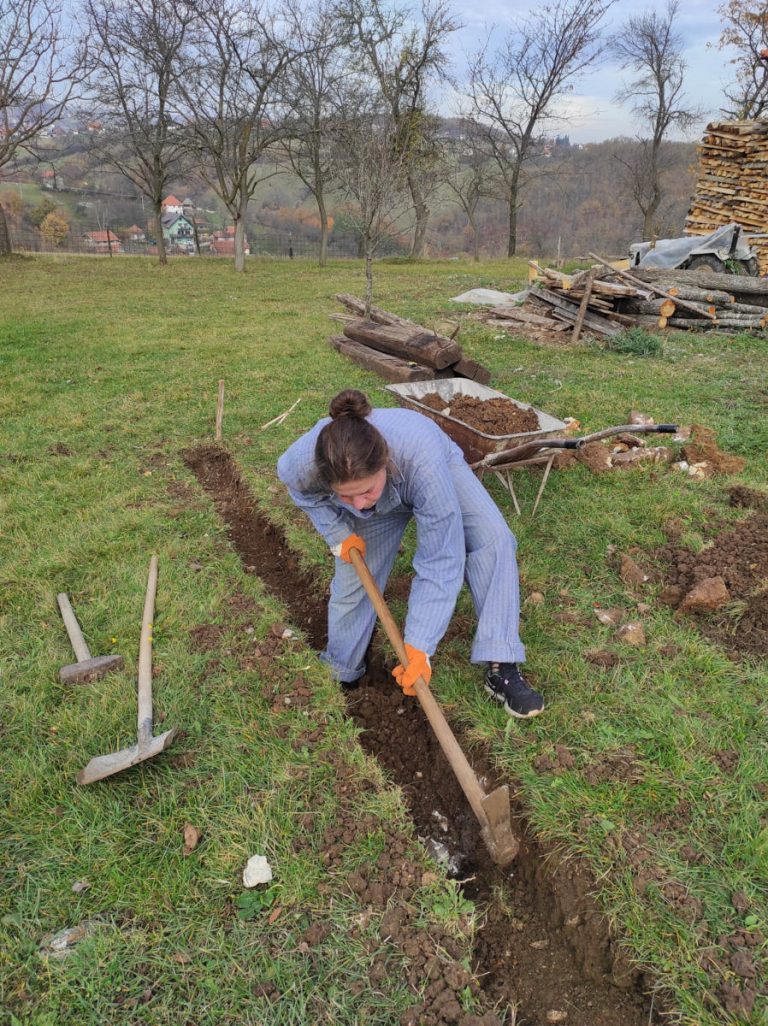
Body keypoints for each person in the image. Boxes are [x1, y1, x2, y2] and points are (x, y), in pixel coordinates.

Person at [276, 388, 543, 718]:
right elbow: (302, 494)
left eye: (366, 491)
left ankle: (502, 661)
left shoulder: (424, 465)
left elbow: (440, 557)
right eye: (346, 497)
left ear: (384, 461)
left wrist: (419, 644)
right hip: (387, 481)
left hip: (431, 462)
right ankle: (341, 669)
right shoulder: (305, 463)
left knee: (494, 540)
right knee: (355, 580)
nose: (360, 505)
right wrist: (338, 534)